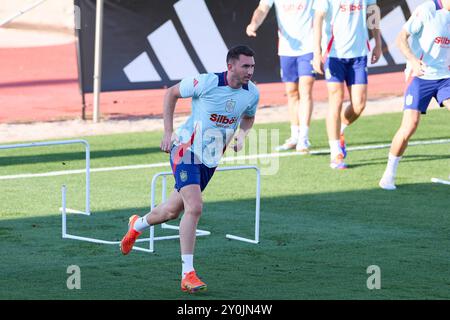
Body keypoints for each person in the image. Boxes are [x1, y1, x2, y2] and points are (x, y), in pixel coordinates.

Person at [120, 45, 260, 293]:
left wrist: (242, 135)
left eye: (252, 66)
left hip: (210, 160)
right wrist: (167, 131)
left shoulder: (252, 94)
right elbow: (171, 93)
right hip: (185, 150)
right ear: (230, 66)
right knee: (194, 207)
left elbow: (248, 116)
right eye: (245, 65)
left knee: (171, 212)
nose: (250, 70)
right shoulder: (206, 82)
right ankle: (188, 274)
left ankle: (137, 225)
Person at [379, 0, 450, 190]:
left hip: (445, 78)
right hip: (420, 76)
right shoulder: (427, 10)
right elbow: (401, 38)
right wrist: (413, 61)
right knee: (410, 126)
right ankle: (388, 175)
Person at [313, 0, 382, 169]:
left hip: (358, 54)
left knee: (359, 105)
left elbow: (373, 12)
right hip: (334, 54)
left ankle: (340, 128)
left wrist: (378, 44)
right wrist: (316, 52)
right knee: (335, 100)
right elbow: (318, 19)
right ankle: (335, 151)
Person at [246, 0, 315, 153]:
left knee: (306, 90)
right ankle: (294, 135)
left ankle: (304, 137)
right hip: (286, 49)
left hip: (309, 47)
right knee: (292, 92)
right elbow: (262, 8)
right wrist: (253, 24)